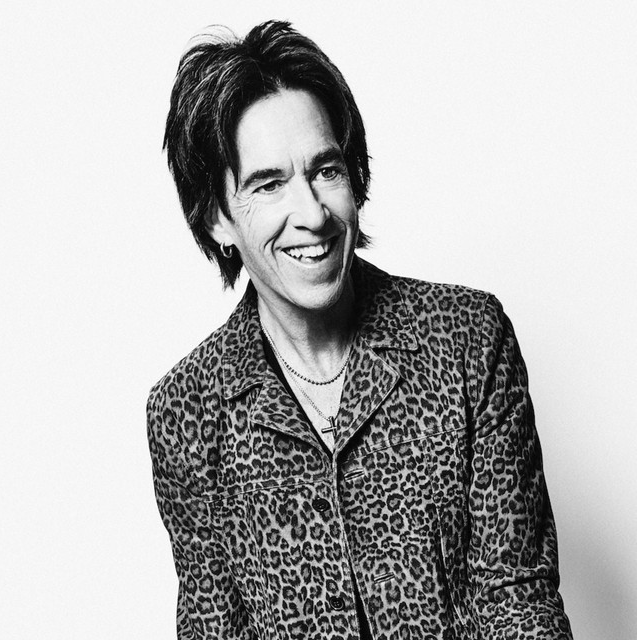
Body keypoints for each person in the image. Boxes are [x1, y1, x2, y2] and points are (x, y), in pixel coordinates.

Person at [147, 20, 572, 640]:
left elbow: (519, 603)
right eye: (269, 184)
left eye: (326, 170)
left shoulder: (468, 342)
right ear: (217, 217)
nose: (312, 214)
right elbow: (213, 626)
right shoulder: (187, 410)